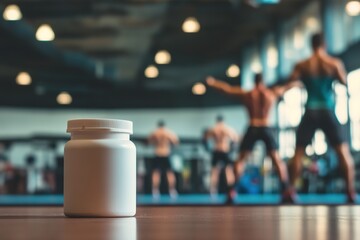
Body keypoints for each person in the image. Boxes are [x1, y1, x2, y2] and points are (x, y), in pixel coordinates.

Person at [285, 32, 356, 203]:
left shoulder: (302, 64)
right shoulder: (333, 63)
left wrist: (304, 81)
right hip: (327, 109)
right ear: (324, 44)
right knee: (342, 152)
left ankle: (291, 191)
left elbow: (291, 82)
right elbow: (344, 82)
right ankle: (350, 192)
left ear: (311, 45)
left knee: (298, 153)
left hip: (310, 109)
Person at [206, 74, 294, 204]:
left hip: (252, 126)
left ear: (254, 81)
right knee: (276, 159)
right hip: (266, 127)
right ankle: (286, 190)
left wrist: (213, 82)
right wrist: (296, 83)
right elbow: (286, 87)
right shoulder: (271, 93)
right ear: (263, 81)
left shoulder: (248, 94)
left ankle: (232, 190)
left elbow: (227, 89)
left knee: (241, 160)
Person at [204, 115, 238, 197]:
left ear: (216, 120)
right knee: (228, 171)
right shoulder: (227, 129)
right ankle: (231, 190)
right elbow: (235, 138)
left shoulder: (213, 129)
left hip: (216, 150)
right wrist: (231, 149)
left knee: (214, 171)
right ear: (223, 121)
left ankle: (213, 191)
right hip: (225, 150)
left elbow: (204, 139)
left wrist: (208, 149)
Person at [148, 120, 179, 198]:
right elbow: (175, 142)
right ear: (164, 125)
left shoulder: (155, 132)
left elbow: (148, 142)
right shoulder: (168, 132)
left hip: (157, 153)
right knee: (169, 172)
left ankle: (155, 191)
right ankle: (172, 190)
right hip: (166, 153)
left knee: (156, 173)